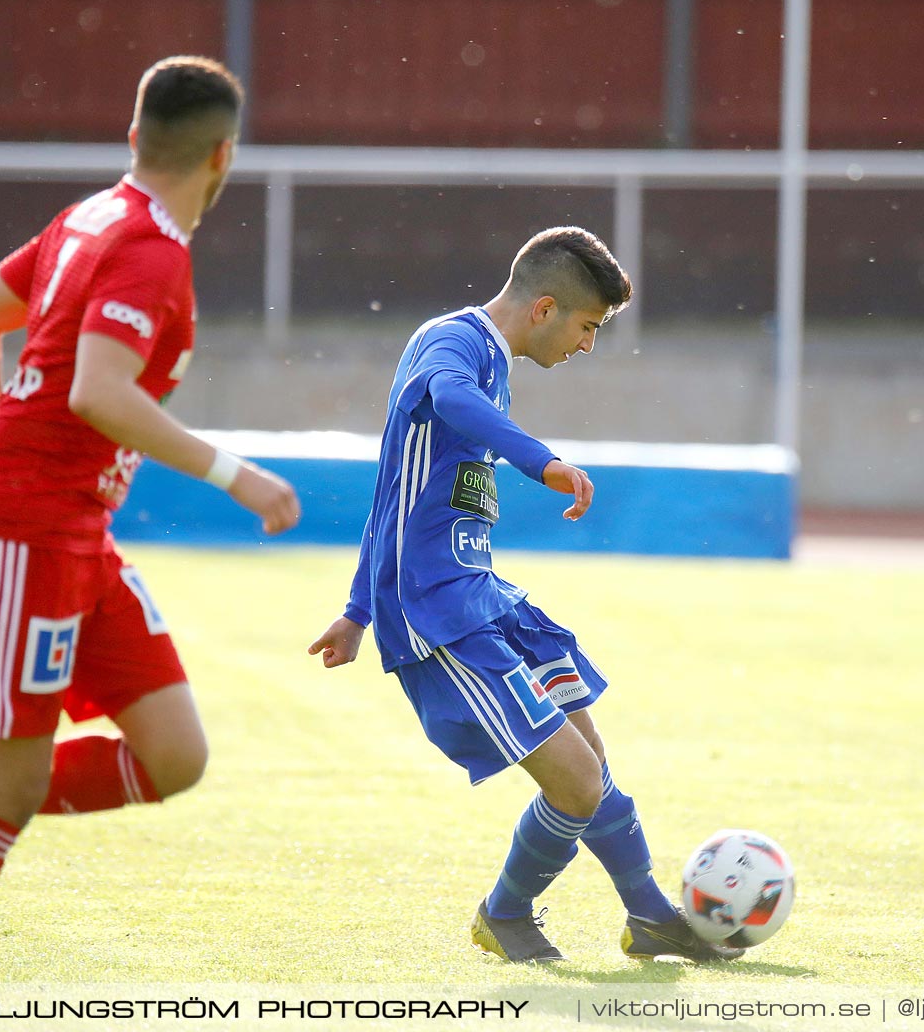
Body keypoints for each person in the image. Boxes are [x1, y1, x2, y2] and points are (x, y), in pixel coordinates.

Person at [0, 56, 301, 1032]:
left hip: (65, 527)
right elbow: (97, 389)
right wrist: (234, 474)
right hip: (26, 532)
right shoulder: (148, 249)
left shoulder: (91, 218)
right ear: (226, 156)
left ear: (136, 139)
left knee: (174, 754)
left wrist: (1, 446)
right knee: (10, 788)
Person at [308, 228, 740, 964]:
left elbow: (395, 495)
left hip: (480, 592)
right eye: (587, 327)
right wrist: (544, 463)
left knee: (588, 751)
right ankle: (506, 914)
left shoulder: (491, 363)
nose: (586, 345)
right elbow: (448, 400)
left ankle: (649, 918)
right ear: (545, 308)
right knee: (574, 782)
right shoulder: (454, 345)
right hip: (435, 608)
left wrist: (352, 611)